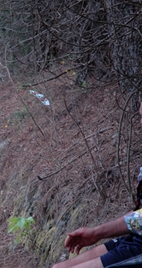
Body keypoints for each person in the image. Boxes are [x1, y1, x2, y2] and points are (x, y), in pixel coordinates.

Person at [52, 103, 142, 268]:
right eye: (141, 116)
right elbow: (140, 216)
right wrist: (96, 232)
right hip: (136, 238)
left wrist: (100, 231)